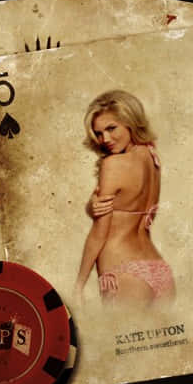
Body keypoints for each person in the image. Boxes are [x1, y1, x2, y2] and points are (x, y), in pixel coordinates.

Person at [76, 90, 173, 308]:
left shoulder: (113, 165)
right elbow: (129, 203)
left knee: (120, 330)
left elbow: (99, 234)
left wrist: (79, 285)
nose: (105, 139)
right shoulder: (151, 155)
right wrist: (91, 205)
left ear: (130, 122)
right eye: (98, 133)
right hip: (158, 268)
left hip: (122, 269)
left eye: (111, 128)